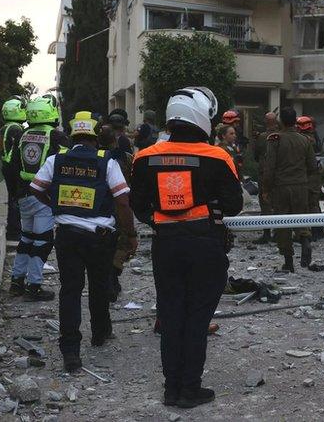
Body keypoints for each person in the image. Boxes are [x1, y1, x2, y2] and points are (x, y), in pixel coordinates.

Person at [131, 87, 243, 409]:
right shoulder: (218, 156)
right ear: (201, 118)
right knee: (196, 319)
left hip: (166, 245)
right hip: (205, 245)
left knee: (171, 315)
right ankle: (189, 389)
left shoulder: (145, 156)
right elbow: (234, 205)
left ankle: (171, 389)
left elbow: (138, 205)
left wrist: (160, 219)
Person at [29, 112, 136, 372]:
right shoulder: (106, 162)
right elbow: (122, 200)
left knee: (70, 291)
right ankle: (99, 334)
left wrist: (56, 205)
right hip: (100, 237)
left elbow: (35, 189)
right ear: (95, 136)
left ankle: (70, 352)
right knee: (99, 287)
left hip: (67, 236)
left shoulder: (57, 160)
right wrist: (130, 234)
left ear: (73, 136)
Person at [10, 95, 70, 301]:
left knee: (26, 238)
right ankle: (33, 286)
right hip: (43, 196)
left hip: (23, 195)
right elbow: (65, 166)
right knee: (42, 241)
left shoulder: (22, 135)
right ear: (51, 111)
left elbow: (13, 165)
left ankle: (16, 281)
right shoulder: (56, 136)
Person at [261, 107, 317, 272]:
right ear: (295, 121)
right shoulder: (305, 140)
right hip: (301, 185)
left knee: (282, 223)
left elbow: (269, 167)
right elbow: (313, 166)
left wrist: (265, 189)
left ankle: (288, 261)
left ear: (281, 122)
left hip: (281, 187)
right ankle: (305, 239)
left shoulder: (275, 139)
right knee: (301, 217)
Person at [99, 125, 136, 302]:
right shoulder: (126, 158)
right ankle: (113, 276)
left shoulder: (96, 159)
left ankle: (109, 278)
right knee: (123, 243)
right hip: (121, 203)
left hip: (102, 207)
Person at [0, 97, 27, 242]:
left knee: (12, 198)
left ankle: (12, 229)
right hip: (14, 167)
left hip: (6, 166)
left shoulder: (4, 128)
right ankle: (15, 231)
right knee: (16, 199)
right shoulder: (17, 129)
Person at [252, 111, 280, 244]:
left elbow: (256, 156)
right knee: (279, 203)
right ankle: (279, 232)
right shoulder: (282, 136)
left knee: (265, 203)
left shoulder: (262, 137)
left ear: (266, 122)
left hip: (264, 173)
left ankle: (267, 233)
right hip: (279, 174)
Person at [297, 115, 324, 240]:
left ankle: (316, 232)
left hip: (310, 174)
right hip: (310, 174)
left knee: (312, 203)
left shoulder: (307, 140)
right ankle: (315, 231)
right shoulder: (312, 137)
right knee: (312, 203)